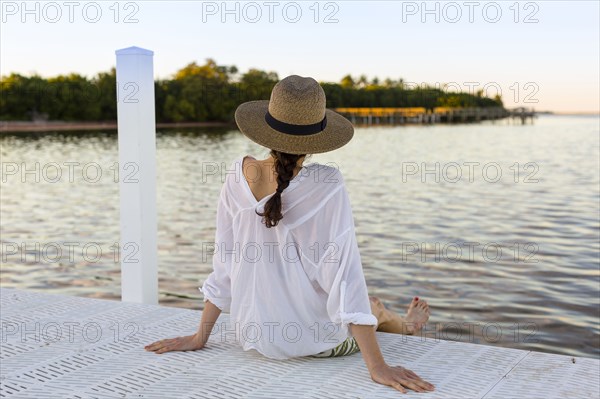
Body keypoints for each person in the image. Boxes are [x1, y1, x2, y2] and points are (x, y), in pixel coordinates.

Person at [145, 75, 434, 394]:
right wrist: (378, 367)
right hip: (312, 344)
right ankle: (406, 325)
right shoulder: (327, 183)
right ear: (317, 138)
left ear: (266, 129)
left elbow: (224, 262)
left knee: (356, 302)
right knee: (371, 303)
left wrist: (200, 336)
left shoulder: (237, 174)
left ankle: (400, 322)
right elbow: (344, 276)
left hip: (252, 338)